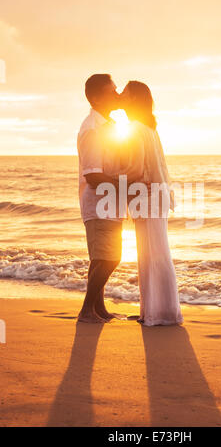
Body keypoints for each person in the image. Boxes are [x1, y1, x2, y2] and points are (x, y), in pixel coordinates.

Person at [104, 81, 183, 326]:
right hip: (156, 194)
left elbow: (136, 169)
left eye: (125, 93)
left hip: (146, 195)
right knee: (157, 253)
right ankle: (158, 312)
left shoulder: (136, 129)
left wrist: (111, 174)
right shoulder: (148, 128)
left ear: (133, 100)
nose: (121, 95)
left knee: (150, 254)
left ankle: (156, 314)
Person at [77, 74, 125, 323]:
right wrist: (126, 186)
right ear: (95, 97)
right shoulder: (93, 129)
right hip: (98, 203)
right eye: (112, 91)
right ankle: (86, 311)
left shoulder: (108, 126)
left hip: (110, 202)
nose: (117, 95)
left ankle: (99, 309)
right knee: (109, 258)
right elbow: (93, 174)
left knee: (100, 259)